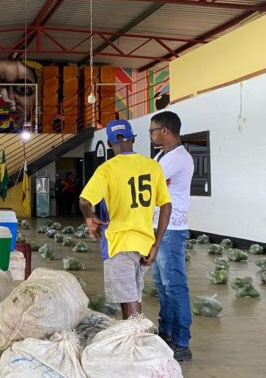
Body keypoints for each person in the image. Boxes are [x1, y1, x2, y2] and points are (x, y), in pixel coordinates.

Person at [78, 120, 172, 320]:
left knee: (130, 304)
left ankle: (136, 342)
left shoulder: (107, 169)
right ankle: (132, 339)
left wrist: (90, 218)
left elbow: (84, 201)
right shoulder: (152, 166)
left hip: (120, 243)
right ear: (133, 139)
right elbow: (166, 205)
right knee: (131, 297)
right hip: (145, 243)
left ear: (110, 143)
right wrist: (156, 244)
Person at [149, 111, 194, 362]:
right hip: (158, 228)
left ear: (165, 131)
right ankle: (166, 330)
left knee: (174, 284)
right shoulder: (161, 155)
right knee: (162, 283)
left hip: (172, 230)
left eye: (153, 130)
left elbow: (151, 182)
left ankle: (181, 341)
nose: (151, 134)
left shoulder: (178, 158)